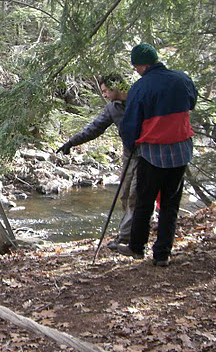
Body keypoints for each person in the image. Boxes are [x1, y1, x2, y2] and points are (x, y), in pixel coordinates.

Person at [115, 42, 197, 267]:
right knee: (170, 204)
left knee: (144, 201)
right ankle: (162, 254)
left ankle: (137, 247)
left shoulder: (141, 88)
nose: (135, 71)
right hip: (181, 151)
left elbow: (131, 124)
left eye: (135, 67)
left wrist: (130, 144)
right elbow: (192, 102)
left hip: (153, 154)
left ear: (141, 65)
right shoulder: (182, 79)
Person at [57, 74, 138, 250]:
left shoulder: (139, 97)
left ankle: (128, 236)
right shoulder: (112, 108)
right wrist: (71, 142)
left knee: (135, 194)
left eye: (105, 91)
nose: (105, 95)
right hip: (128, 152)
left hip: (147, 151)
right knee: (124, 193)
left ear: (116, 87)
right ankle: (130, 231)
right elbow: (94, 129)